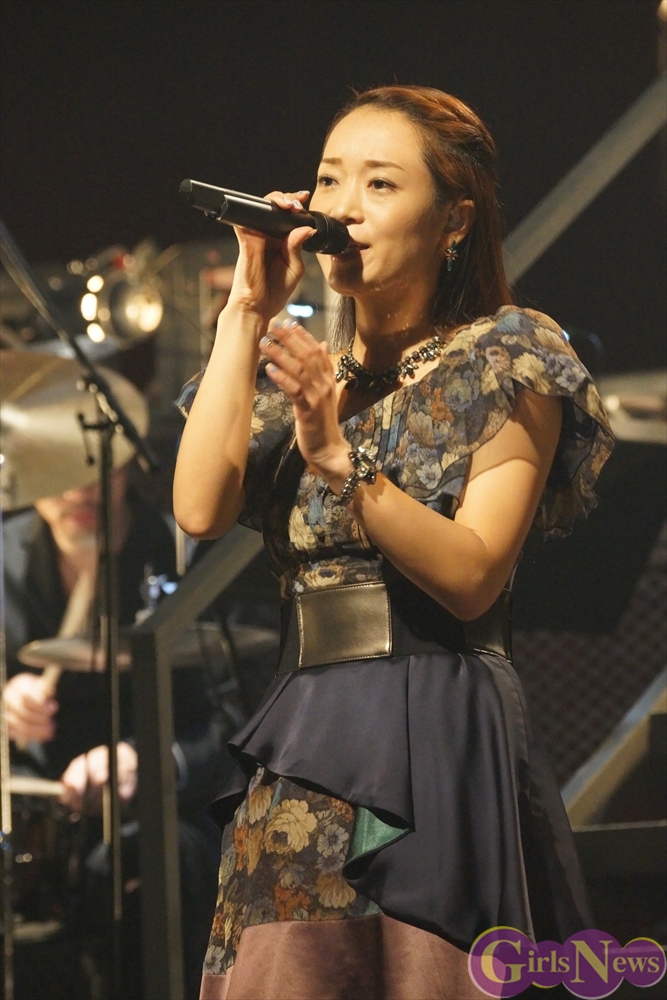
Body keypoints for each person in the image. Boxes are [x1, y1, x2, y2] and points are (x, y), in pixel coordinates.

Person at [173, 85, 614, 999]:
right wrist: (246, 310)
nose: (343, 207)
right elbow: (199, 508)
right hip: (302, 733)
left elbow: (473, 574)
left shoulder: (503, 353)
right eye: (330, 180)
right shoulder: (304, 372)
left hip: (430, 721)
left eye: (379, 184)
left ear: (454, 219)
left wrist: (339, 458)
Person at [3, 466, 229, 998]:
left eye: (96, 466)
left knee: (147, 865)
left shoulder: (183, 554)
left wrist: (146, 759)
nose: (81, 487)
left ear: (125, 466)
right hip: (41, 806)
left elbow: (237, 717)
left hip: (165, 807)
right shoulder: (4, 558)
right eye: (62, 464)